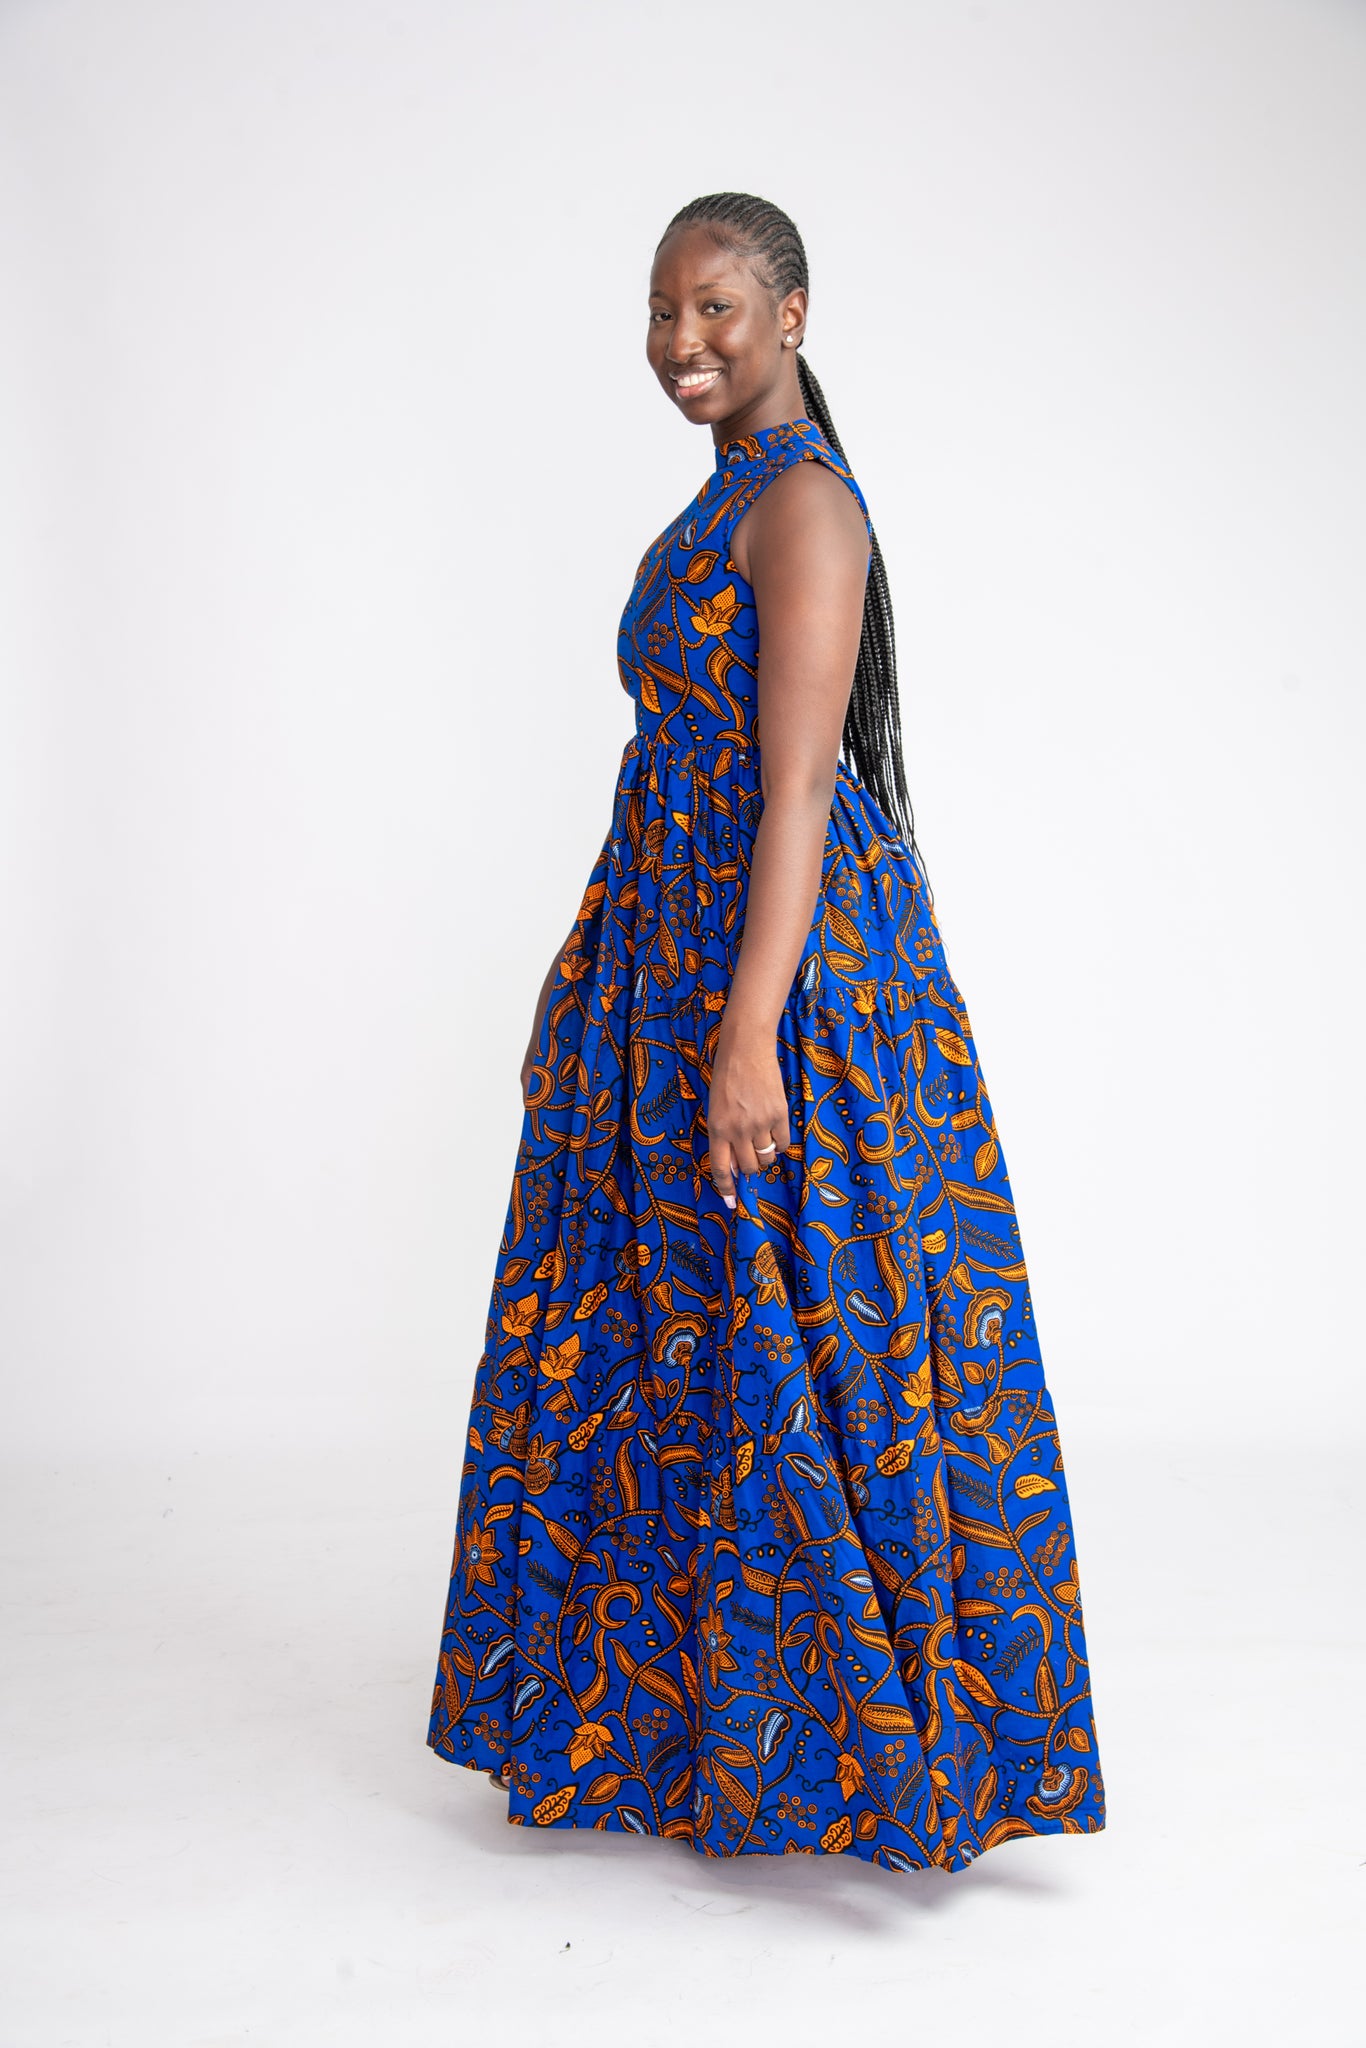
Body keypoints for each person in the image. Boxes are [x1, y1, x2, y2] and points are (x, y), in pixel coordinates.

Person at [427, 192, 1105, 1876]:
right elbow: (672, 772)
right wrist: (585, 968)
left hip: (779, 974)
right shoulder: (722, 500)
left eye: (715, 308)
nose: (682, 343)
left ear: (791, 315)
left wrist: (747, 1037)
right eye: (662, 313)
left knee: (803, 1339)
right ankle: (691, 1734)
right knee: (675, 1337)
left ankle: (864, 1749)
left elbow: (796, 789)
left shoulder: (803, 507)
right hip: (666, 953)